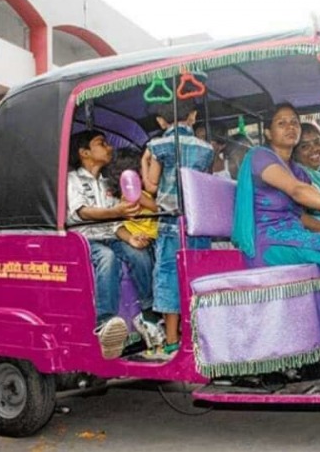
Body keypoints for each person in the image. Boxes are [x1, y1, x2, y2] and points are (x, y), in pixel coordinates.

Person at [232, 103, 320, 365]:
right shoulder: (260, 156)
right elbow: (297, 192)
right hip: (269, 241)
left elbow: (305, 211)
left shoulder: (297, 169)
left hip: (291, 236)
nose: (290, 127)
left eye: (294, 122)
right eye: (281, 123)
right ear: (268, 132)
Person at [67, 130, 157, 359]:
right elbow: (82, 212)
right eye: (101, 143)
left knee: (139, 253)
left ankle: (149, 310)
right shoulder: (72, 179)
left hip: (111, 234)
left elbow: (116, 224)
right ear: (84, 152)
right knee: (107, 258)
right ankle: (104, 322)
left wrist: (131, 238)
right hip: (86, 238)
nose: (109, 148)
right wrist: (114, 211)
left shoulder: (107, 182)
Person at [144, 99, 214, 358]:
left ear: (161, 122)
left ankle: (172, 340)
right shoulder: (205, 148)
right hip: (198, 225)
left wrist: (145, 161)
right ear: (194, 116)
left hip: (170, 223)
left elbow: (151, 186)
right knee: (197, 276)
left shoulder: (158, 146)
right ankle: (198, 335)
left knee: (168, 278)